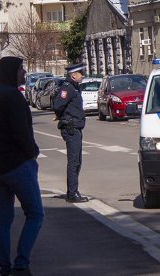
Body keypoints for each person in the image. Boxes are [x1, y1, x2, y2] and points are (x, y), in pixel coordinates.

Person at [0, 56, 44, 276]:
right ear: (11, 72)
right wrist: (32, 154)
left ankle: (4, 267)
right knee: (35, 214)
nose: (24, 73)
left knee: (4, 219)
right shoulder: (13, 97)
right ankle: (21, 263)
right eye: (20, 69)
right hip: (18, 165)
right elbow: (21, 133)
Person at [52, 63, 89, 203]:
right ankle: (72, 193)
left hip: (76, 128)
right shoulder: (68, 88)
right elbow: (58, 104)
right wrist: (62, 115)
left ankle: (72, 191)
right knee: (74, 162)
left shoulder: (74, 87)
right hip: (71, 128)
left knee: (77, 161)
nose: (83, 75)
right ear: (73, 75)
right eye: (81, 73)